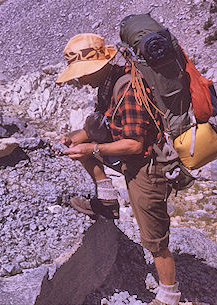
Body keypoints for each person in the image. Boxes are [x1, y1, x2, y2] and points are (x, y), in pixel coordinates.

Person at [55, 33, 181, 305]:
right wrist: (75, 140)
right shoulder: (108, 84)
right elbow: (102, 127)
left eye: (83, 73)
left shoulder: (128, 90)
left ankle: (169, 295)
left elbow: (135, 144)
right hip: (130, 157)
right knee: (84, 149)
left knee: (154, 236)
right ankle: (107, 200)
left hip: (148, 166)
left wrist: (91, 150)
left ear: (99, 66)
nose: (79, 80)